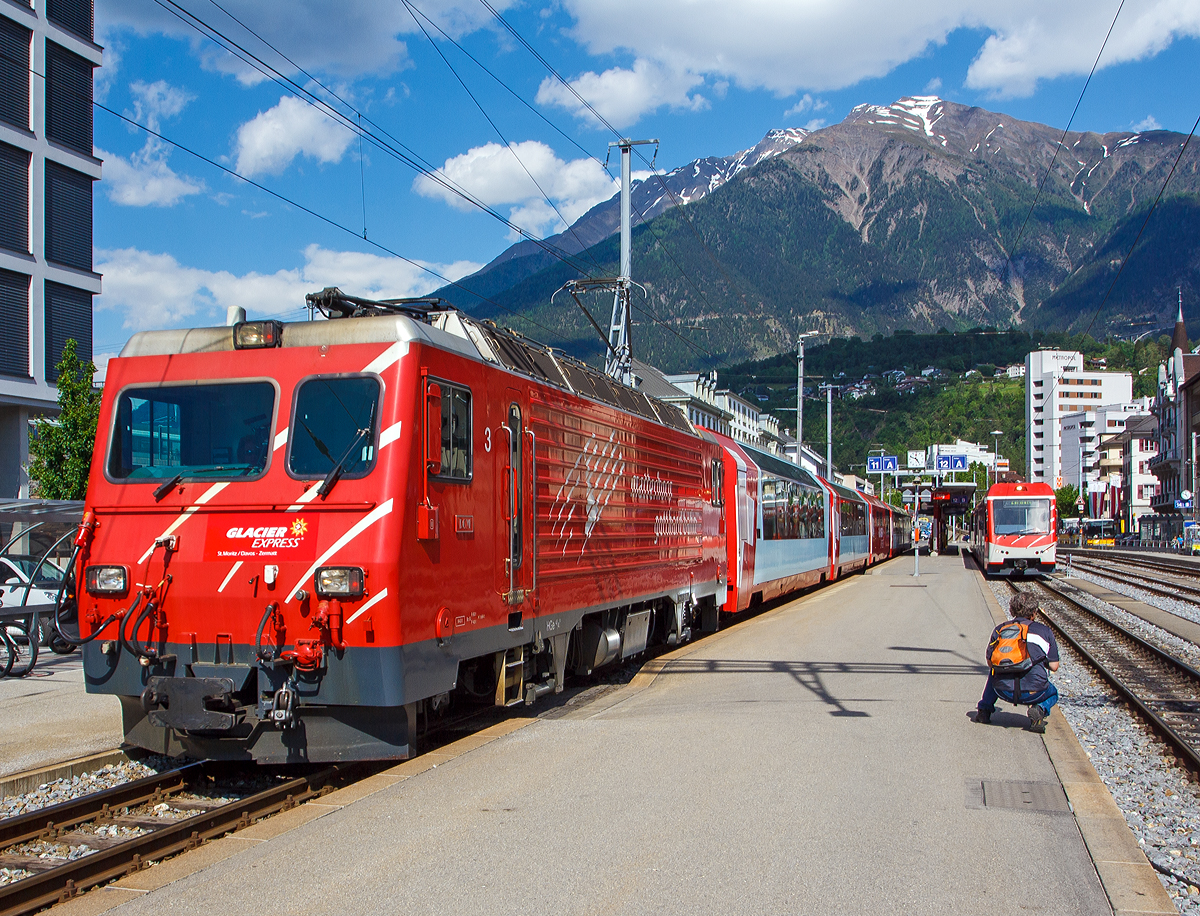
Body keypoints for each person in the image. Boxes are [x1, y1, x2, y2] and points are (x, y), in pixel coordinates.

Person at [975, 591, 1060, 732]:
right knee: (1053, 693)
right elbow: (1054, 666)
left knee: (994, 670)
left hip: (1002, 691)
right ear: (1034, 612)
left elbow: (991, 662)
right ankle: (1039, 710)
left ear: (1012, 610)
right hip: (1034, 692)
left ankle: (984, 710)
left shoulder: (1000, 630)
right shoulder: (1044, 631)